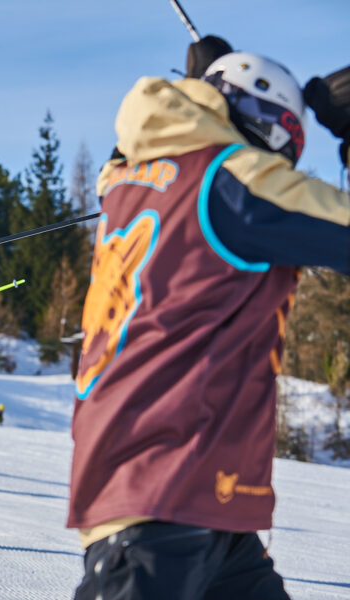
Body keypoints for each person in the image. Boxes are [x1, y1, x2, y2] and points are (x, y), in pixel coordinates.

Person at [70, 38, 350, 600]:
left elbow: (154, 139)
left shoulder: (123, 180)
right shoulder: (232, 182)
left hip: (196, 500)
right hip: (164, 489)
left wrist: (196, 96)